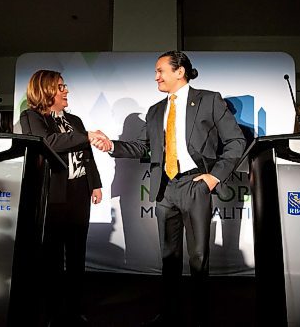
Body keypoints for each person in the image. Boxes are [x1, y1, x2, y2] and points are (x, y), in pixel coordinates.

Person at [90, 50, 246, 326]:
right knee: (169, 258)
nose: (156, 77)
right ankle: (170, 313)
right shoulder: (156, 110)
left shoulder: (209, 100)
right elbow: (142, 147)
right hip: (164, 189)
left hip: (196, 183)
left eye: (160, 70)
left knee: (198, 258)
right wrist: (111, 145)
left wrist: (213, 177)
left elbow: (235, 142)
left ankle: (200, 316)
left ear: (180, 71)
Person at [20, 70, 102, 327]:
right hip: (54, 195)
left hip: (79, 192)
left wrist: (95, 184)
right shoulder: (32, 117)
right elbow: (50, 141)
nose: (66, 91)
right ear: (45, 90)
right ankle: (52, 312)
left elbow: (87, 155)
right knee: (52, 257)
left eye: (64, 86)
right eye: (60, 86)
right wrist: (88, 135)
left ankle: (75, 309)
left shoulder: (74, 120)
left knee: (77, 254)